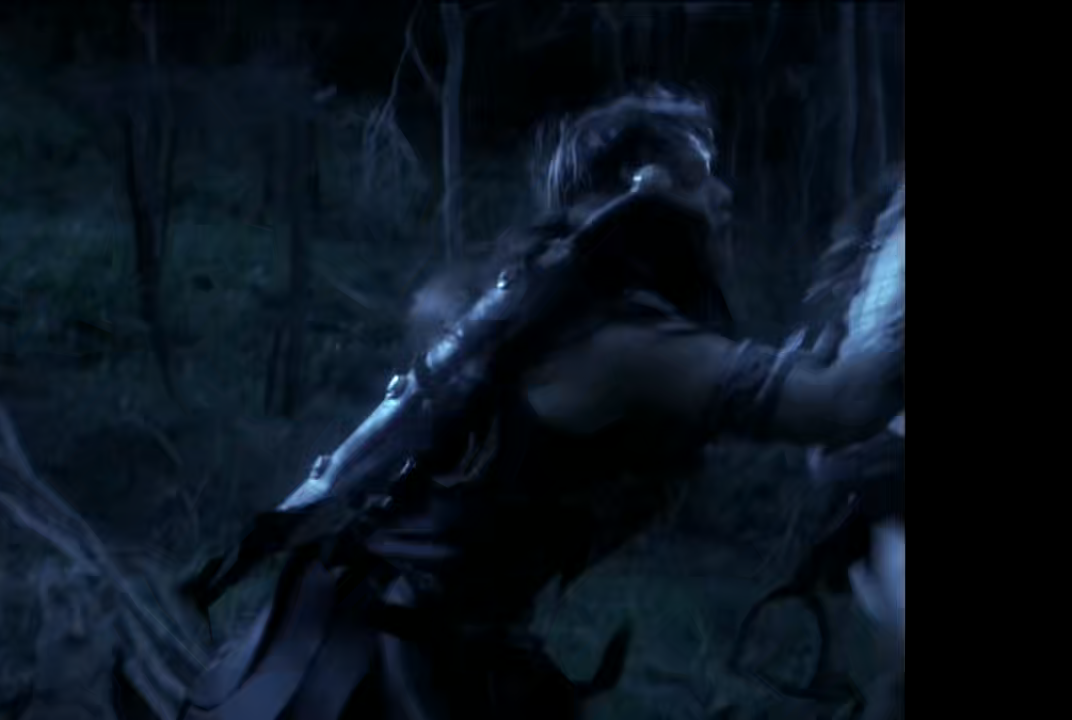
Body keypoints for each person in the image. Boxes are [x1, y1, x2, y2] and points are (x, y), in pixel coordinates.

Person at [177, 90, 905, 720]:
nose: (724, 197)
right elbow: (845, 404)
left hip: (383, 625)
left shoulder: (527, 296)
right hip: (388, 657)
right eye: (699, 176)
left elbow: (793, 379)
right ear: (643, 186)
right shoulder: (613, 339)